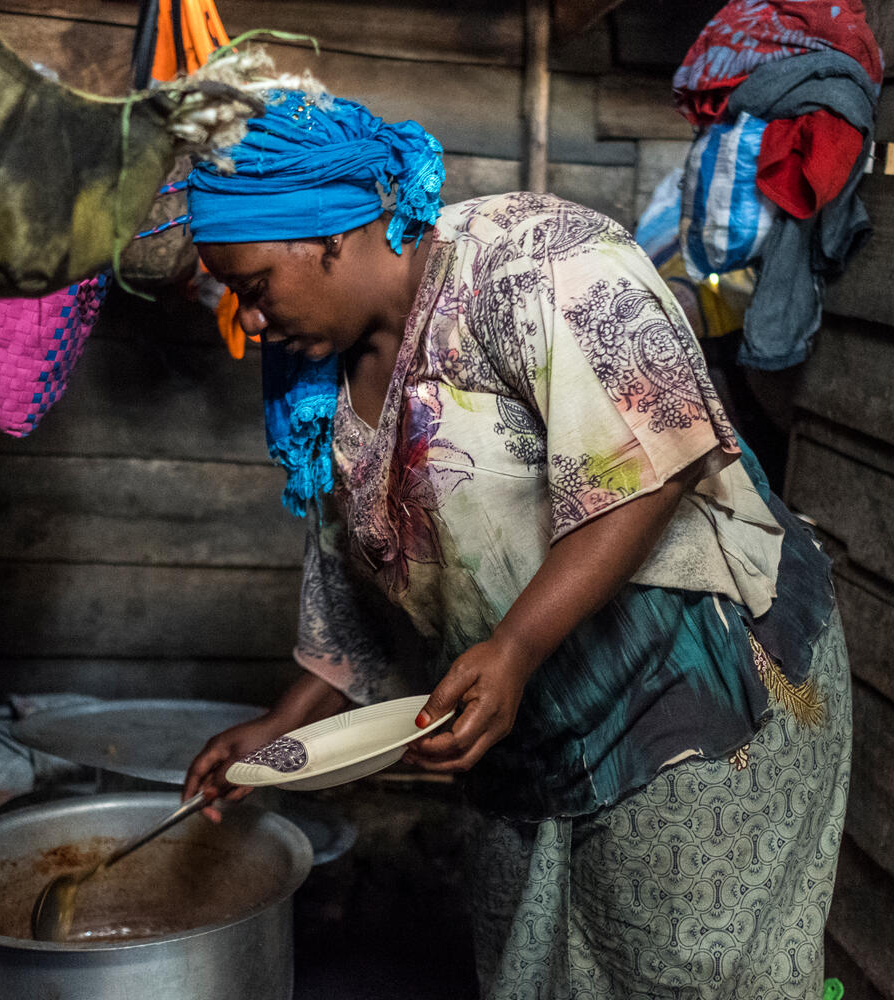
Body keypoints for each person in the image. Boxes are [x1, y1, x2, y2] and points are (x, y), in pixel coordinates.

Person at [181, 87, 850, 1000]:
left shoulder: (535, 264)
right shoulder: (320, 375)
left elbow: (652, 459)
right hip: (533, 718)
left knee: (688, 974)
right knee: (537, 971)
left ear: (331, 235)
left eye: (253, 287)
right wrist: (281, 727)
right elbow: (369, 574)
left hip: (696, 691)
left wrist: (518, 645)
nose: (249, 318)